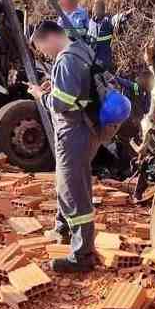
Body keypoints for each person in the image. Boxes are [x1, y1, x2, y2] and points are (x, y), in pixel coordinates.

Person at [27, 20, 99, 273]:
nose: (43, 53)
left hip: (73, 130)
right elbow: (74, 91)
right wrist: (54, 87)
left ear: (49, 38)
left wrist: (41, 95)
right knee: (72, 185)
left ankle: (82, 255)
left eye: (41, 47)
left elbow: (62, 103)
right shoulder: (82, 51)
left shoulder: (68, 59)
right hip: (80, 129)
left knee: (73, 191)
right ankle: (67, 232)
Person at [114, 69, 155, 175]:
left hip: (127, 121)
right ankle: (134, 169)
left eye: (138, 76)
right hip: (136, 124)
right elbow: (146, 109)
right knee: (131, 146)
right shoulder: (147, 93)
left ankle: (124, 170)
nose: (136, 78)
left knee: (123, 145)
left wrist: (110, 77)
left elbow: (121, 81)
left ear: (142, 79)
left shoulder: (135, 87)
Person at [87, 0, 131, 71]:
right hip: (92, 58)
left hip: (104, 58)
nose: (96, 11)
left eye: (98, 9)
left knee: (106, 77)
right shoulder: (91, 22)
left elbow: (116, 19)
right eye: (95, 9)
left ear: (103, 10)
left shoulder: (108, 21)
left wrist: (125, 15)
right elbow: (88, 37)